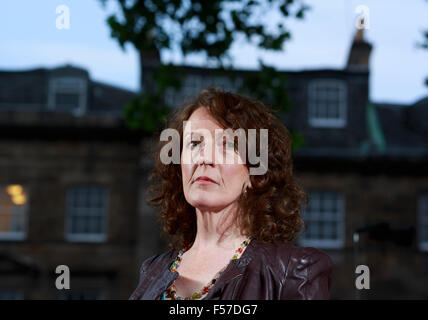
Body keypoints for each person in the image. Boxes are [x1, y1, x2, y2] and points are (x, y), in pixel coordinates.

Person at [129, 88, 333, 300]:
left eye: (227, 144)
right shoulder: (152, 271)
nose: (204, 158)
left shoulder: (294, 273)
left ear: (256, 174)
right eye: (194, 143)